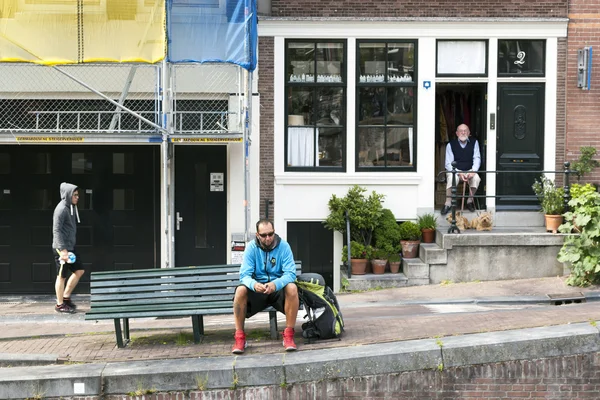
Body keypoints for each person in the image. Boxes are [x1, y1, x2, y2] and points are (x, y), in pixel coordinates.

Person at [232, 219, 299, 354]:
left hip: (277, 289)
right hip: (257, 290)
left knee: (292, 287)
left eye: (271, 234)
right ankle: (240, 338)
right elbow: (244, 275)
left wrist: (275, 284)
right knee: (240, 290)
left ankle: (289, 336)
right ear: (257, 235)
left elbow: (291, 274)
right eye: (263, 235)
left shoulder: (284, 246)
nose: (268, 238)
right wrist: (254, 284)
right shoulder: (251, 248)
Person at [52, 182, 84, 313]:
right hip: (62, 248)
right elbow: (56, 230)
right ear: (68, 195)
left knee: (79, 270)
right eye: (75, 195)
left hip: (70, 246)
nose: (77, 197)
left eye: (77, 195)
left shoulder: (71, 207)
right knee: (62, 276)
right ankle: (60, 305)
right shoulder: (61, 209)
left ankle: (65, 297)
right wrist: (63, 250)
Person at [441, 124, 481, 215]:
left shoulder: (474, 142)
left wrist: (473, 171)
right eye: (461, 131)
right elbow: (448, 164)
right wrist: (458, 173)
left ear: (469, 133)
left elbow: (477, 158)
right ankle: (448, 203)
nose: (463, 133)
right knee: (452, 178)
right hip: (455, 170)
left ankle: (469, 201)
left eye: (465, 130)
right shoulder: (450, 145)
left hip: (469, 169)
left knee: (476, 178)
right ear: (457, 133)